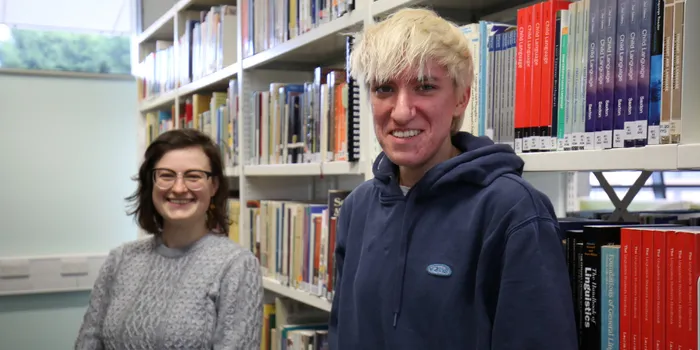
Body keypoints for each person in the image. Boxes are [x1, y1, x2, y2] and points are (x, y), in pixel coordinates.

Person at [328, 7, 578, 350]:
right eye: (384, 88)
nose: (401, 111)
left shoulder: (512, 210)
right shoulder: (357, 208)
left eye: (425, 87)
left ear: (461, 98)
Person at [75, 129, 263, 350]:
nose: (179, 188)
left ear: (214, 186)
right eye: (166, 175)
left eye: (194, 176)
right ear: (151, 183)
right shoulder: (120, 260)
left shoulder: (236, 265)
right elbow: (88, 342)